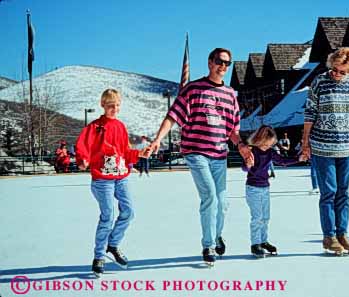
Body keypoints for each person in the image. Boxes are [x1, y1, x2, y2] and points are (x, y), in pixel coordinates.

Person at [148, 48, 253, 266]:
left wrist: (242, 146)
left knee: (223, 203)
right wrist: (158, 139)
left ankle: (216, 236)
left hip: (219, 154)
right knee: (210, 197)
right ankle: (208, 245)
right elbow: (172, 116)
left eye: (227, 63)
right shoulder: (193, 89)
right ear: (209, 62)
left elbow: (232, 129)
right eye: (219, 61)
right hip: (196, 152)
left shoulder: (231, 95)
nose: (223, 66)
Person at [75, 89, 151, 277]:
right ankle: (99, 256)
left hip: (121, 176)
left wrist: (139, 154)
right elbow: (82, 145)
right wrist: (83, 159)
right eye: (110, 106)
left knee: (128, 211)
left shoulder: (120, 126)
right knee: (108, 215)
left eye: (117, 105)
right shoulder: (95, 127)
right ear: (103, 105)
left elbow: (125, 151)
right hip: (102, 179)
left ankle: (113, 244)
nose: (114, 109)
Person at [300, 47, 349, 255]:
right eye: (334, 69)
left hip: (345, 146)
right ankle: (329, 236)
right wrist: (305, 142)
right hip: (321, 145)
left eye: (342, 71)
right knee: (329, 193)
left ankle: (342, 234)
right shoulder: (319, 81)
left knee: (344, 193)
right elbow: (309, 113)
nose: (337, 74)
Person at [243, 125, 300, 258]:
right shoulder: (252, 151)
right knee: (257, 218)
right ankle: (255, 244)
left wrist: (298, 158)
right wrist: (248, 165)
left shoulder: (269, 152)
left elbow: (282, 161)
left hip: (265, 188)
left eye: (270, 144)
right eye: (266, 144)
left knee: (265, 217)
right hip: (253, 188)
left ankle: (263, 241)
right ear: (259, 140)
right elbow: (244, 168)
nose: (268, 147)